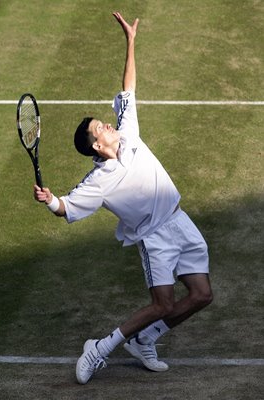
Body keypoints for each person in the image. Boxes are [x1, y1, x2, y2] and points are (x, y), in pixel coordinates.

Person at [34, 12, 213, 385]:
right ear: (98, 145)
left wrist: (130, 41)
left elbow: (128, 86)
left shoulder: (128, 132)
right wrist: (51, 199)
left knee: (201, 295)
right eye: (101, 127)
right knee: (162, 303)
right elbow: (66, 208)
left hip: (180, 220)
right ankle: (99, 348)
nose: (108, 123)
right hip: (155, 237)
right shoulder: (98, 181)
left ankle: (146, 339)